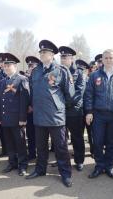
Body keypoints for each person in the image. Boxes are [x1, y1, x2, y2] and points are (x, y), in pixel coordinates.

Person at [25, 40, 75, 187]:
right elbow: (33, 92)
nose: (41, 54)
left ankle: (65, 173)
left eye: (44, 52)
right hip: (39, 116)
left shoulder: (61, 70)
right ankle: (40, 170)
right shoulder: (36, 71)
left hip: (55, 117)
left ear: (52, 55)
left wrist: (57, 105)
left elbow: (69, 94)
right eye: (40, 52)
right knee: (40, 147)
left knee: (60, 147)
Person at [84, 49, 113, 179]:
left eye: (110, 58)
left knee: (111, 142)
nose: (108, 60)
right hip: (98, 115)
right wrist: (89, 112)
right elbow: (89, 95)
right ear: (102, 60)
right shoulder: (94, 75)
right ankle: (99, 165)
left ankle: (108, 166)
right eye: (106, 58)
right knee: (97, 141)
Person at [0, 53, 29, 176]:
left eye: (9, 65)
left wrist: (22, 118)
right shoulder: (3, 81)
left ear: (15, 66)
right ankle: (12, 163)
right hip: (5, 119)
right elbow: (1, 101)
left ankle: (23, 165)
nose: (6, 67)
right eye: (5, 65)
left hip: (17, 119)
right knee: (9, 143)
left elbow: (24, 101)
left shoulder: (21, 79)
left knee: (20, 143)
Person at [59, 46, 86, 171]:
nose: (63, 59)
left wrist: (63, 104)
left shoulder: (79, 73)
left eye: (65, 57)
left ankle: (79, 160)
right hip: (60, 112)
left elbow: (79, 93)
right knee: (61, 138)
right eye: (61, 57)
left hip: (74, 111)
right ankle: (63, 160)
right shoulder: (57, 72)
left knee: (77, 137)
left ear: (71, 58)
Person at [25, 56, 41, 160]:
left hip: (38, 111)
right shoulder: (24, 78)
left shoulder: (40, 78)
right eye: (29, 66)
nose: (31, 68)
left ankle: (40, 154)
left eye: (33, 66)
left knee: (40, 135)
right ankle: (31, 153)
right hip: (28, 111)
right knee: (30, 133)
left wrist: (34, 107)